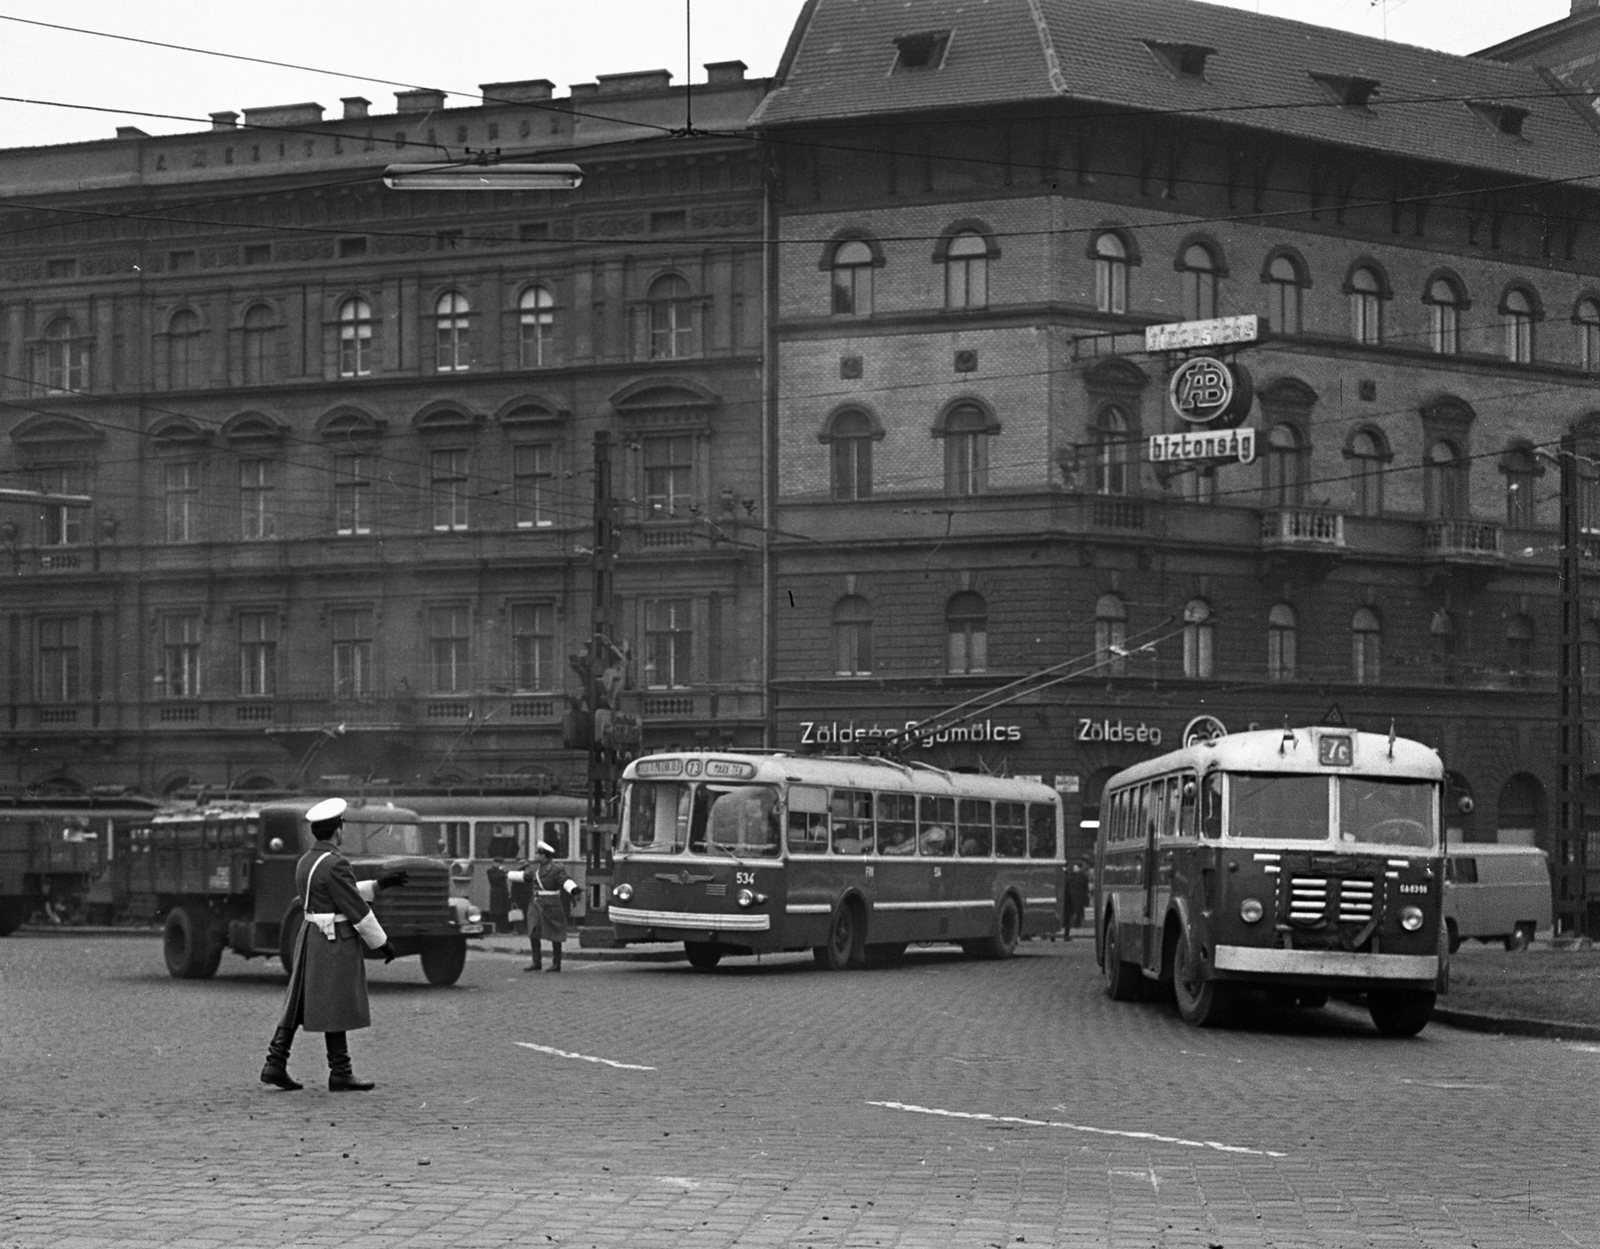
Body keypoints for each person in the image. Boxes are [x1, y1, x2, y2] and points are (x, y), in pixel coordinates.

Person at [260, 798, 406, 1092]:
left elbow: (331, 892)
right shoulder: (337, 862)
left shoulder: (307, 861)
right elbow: (354, 906)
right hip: (334, 940)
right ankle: (340, 1071)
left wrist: (378, 884)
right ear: (336, 829)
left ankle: (275, 1063)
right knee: (336, 1001)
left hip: (310, 935)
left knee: (299, 1001)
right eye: (341, 826)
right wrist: (382, 943)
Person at [507, 841, 580, 972]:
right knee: (533, 931)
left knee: (555, 933)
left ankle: (556, 963)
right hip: (536, 904)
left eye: (537, 853)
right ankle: (536, 962)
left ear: (543, 855)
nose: (535, 855)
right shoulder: (536, 869)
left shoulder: (555, 869)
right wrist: (507, 875)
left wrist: (572, 888)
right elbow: (526, 876)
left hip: (551, 904)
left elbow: (563, 880)